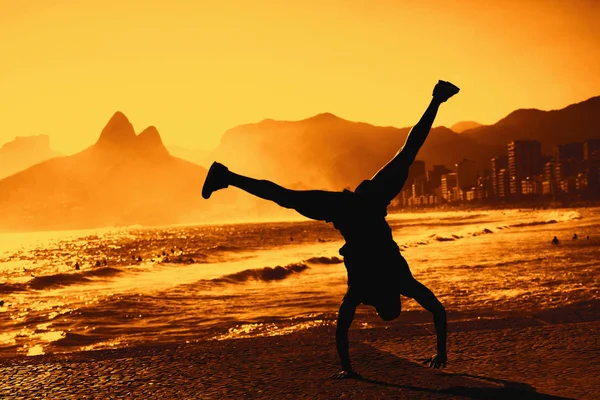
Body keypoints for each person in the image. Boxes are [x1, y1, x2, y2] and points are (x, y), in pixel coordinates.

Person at [202, 80, 460, 378]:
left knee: (405, 153)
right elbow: (347, 326)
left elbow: (433, 311)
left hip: (362, 205)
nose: (388, 298)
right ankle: (227, 176)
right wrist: (350, 368)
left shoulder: (392, 285)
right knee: (288, 197)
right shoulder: (377, 287)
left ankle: (227, 176)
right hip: (355, 209)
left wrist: (350, 369)